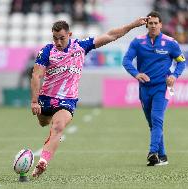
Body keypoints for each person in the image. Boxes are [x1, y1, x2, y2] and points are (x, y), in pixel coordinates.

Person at [30, 17, 148, 178]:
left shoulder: (80, 46)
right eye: (55, 38)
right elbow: (37, 76)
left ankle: (43, 161)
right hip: (46, 98)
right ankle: (52, 137)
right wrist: (35, 101)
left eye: (62, 38)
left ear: (69, 34)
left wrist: (133, 24)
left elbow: (111, 35)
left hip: (67, 100)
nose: (58, 42)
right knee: (43, 122)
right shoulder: (46, 51)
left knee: (57, 127)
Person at [122, 11, 186, 166]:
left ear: (161, 25)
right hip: (144, 89)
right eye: (150, 23)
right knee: (152, 123)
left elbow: (181, 62)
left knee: (157, 119)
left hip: (162, 87)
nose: (153, 26)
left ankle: (153, 152)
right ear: (146, 25)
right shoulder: (138, 42)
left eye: (156, 23)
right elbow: (126, 61)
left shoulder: (170, 43)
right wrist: (136, 74)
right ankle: (162, 156)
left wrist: (175, 76)